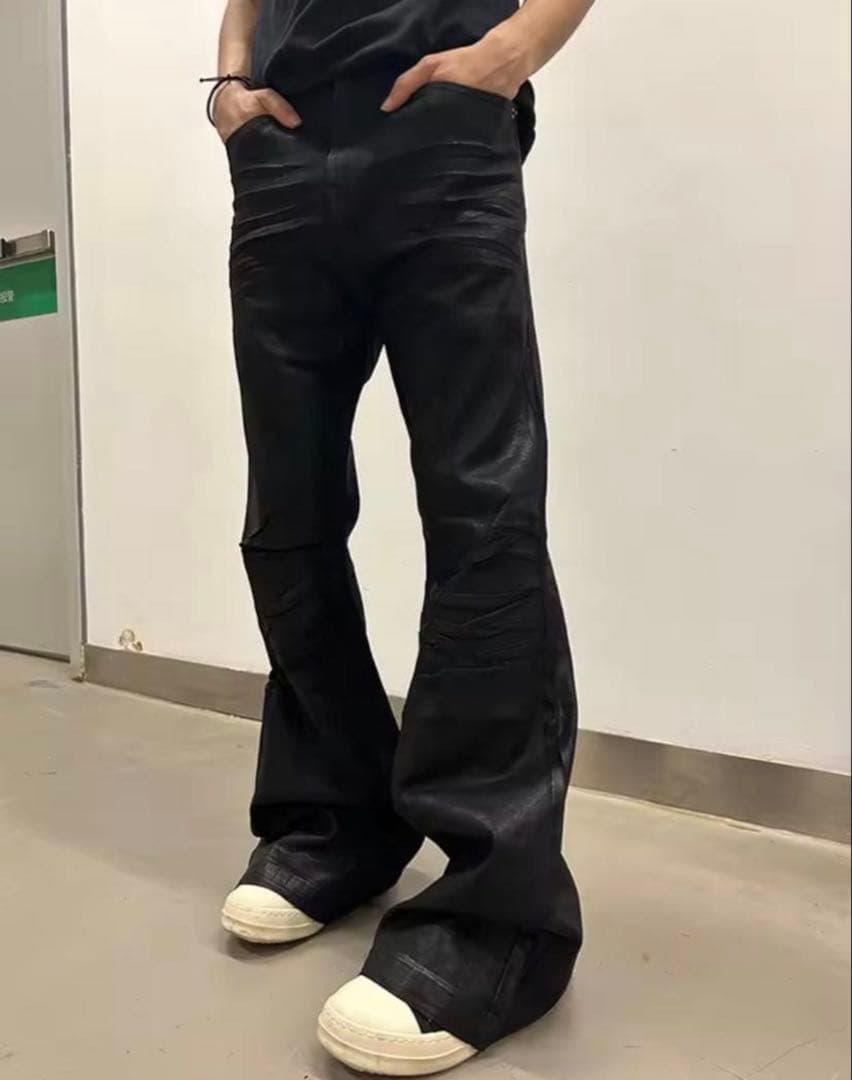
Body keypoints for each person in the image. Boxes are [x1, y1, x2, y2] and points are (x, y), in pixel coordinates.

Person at [210, 0, 596, 1072]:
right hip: (281, 147)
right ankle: (336, 821)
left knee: (482, 511)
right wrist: (230, 84)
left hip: (438, 125)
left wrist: (515, 49)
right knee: (287, 508)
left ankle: (498, 918)